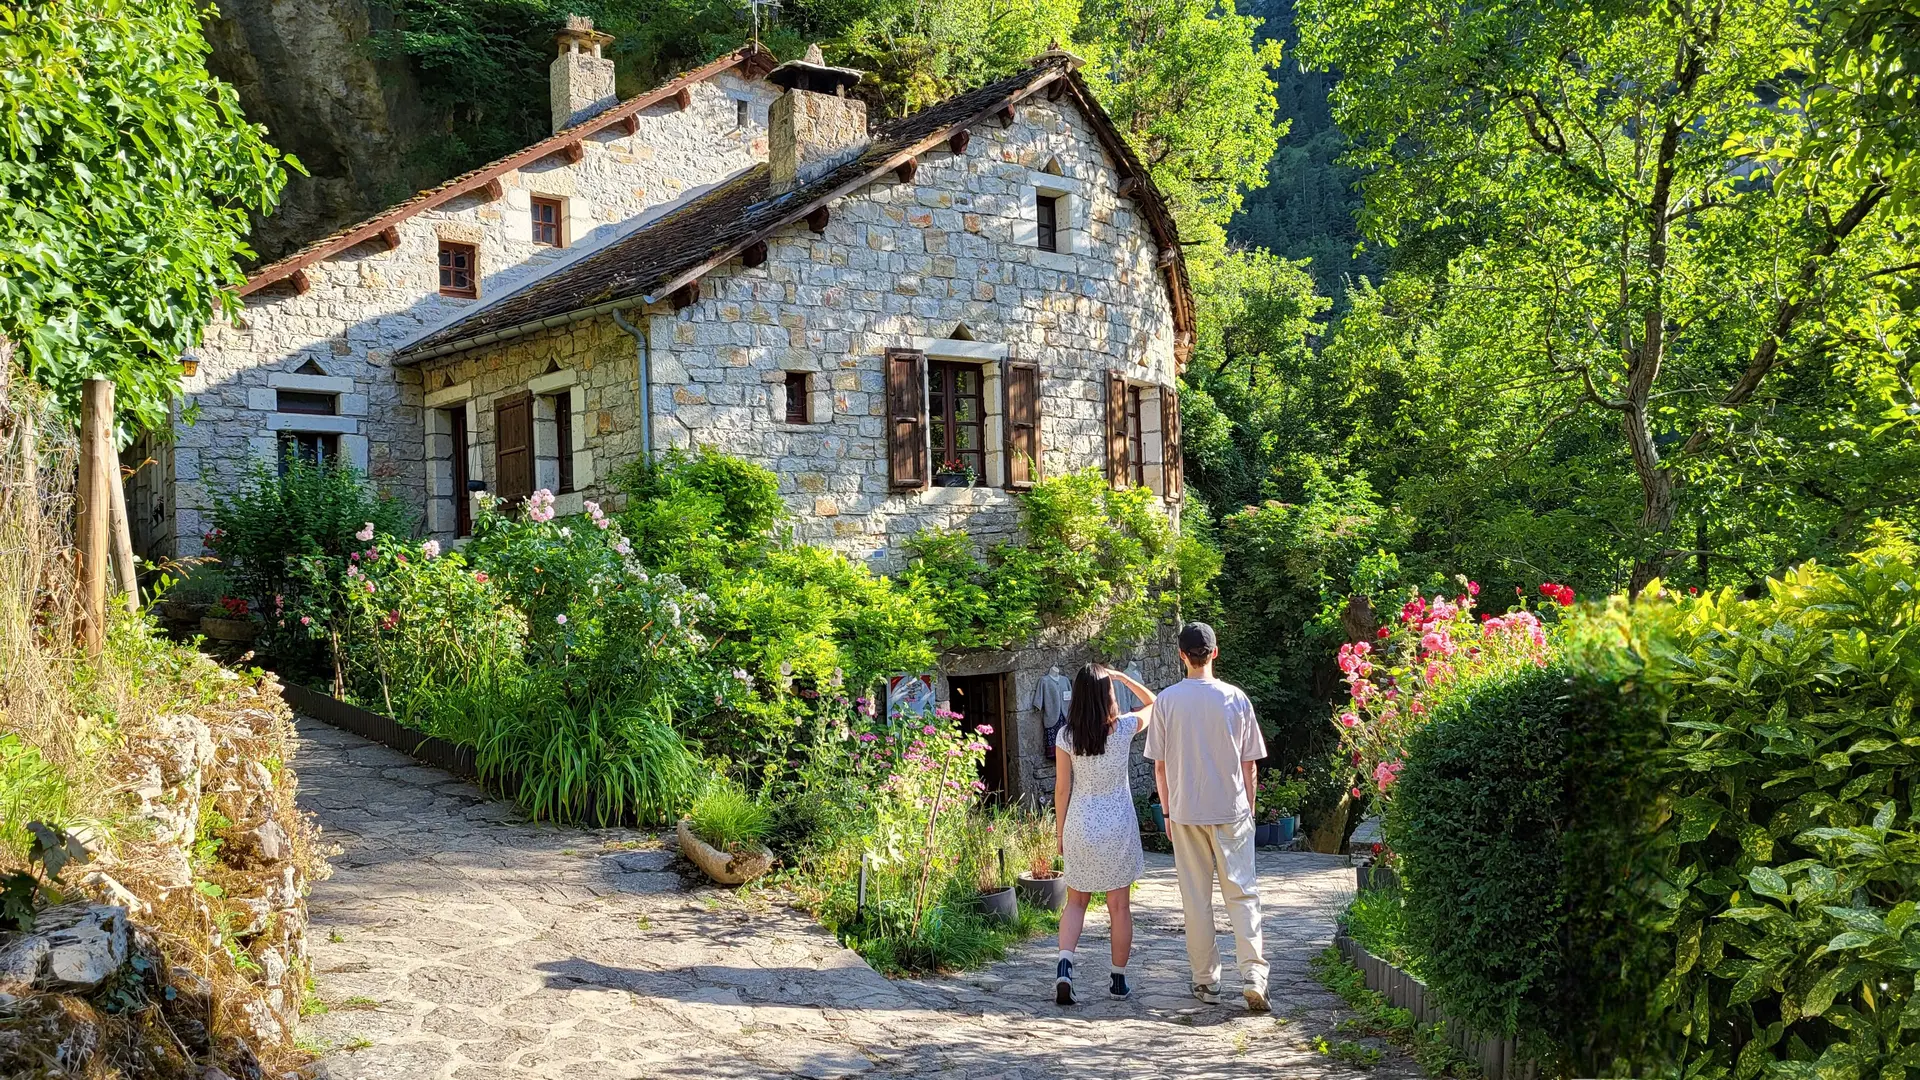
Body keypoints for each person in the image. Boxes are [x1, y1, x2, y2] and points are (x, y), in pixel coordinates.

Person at [1144, 622, 1270, 1011]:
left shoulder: (1166, 701)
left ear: (1181, 655)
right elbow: (1250, 765)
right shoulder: (1236, 698)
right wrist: (1249, 807)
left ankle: (1206, 981)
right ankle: (1252, 975)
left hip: (1184, 811)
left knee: (1195, 899)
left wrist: (1165, 811)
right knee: (1242, 893)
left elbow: (1160, 767)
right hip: (1231, 808)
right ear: (1215, 652)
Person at [1052, 663, 1157, 1005]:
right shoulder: (1124, 728)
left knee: (1076, 902)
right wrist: (1125, 678)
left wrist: (1059, 834)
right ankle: (1118, 981)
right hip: (1118, 827)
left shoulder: (1066, 737)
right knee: (1119, 908)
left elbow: (1062, 789)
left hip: (1080, 824)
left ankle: (1065, 967)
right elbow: (1155, 705)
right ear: (1109, 694)